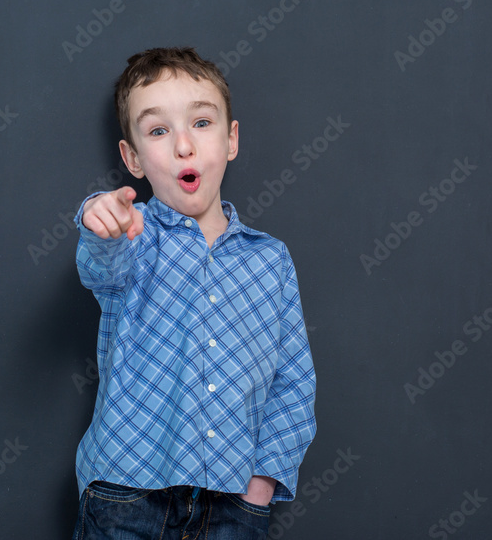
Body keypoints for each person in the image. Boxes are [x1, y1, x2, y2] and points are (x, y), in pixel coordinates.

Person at [71, 46, 316, 539]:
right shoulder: (133, 236)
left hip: (233, 506)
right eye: (158, 130)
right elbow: (101, 266)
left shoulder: (271, 261)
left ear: (231, 139)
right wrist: (99, 218)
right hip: (127, 494)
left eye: (201, 123)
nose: (183, 145)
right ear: (133, 157)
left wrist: (261, 486)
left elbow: (293, 384)